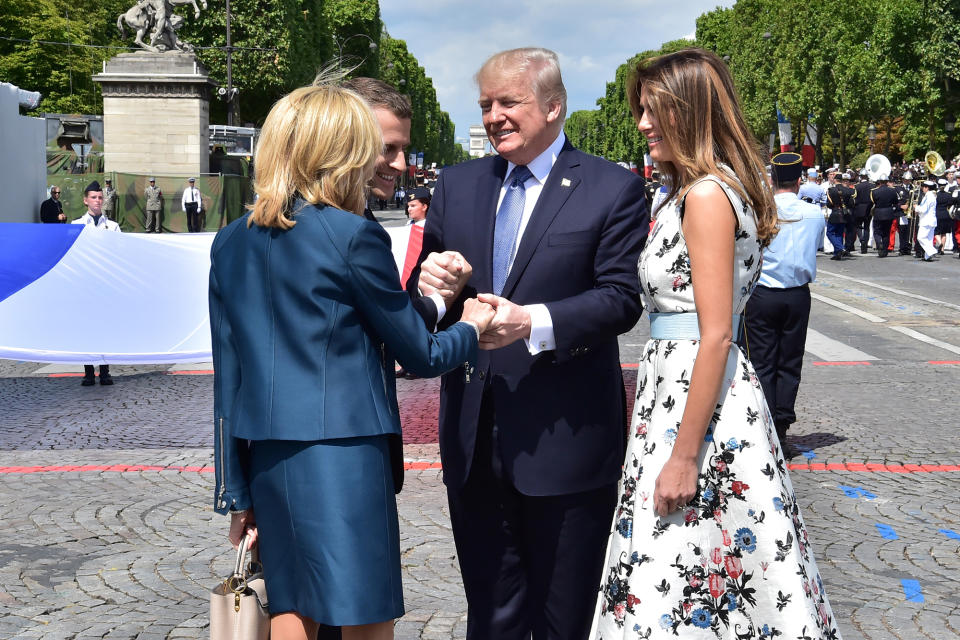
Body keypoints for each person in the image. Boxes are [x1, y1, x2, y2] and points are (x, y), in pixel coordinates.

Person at [209, 83, 495, 640]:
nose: (381, 161)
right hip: (344, 452)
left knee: (293, 607)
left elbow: (229, 377)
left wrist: (235, 490)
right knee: (365, 612)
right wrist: (472, 325)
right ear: (337, 149)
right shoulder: (351, 234)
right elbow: (423, 352)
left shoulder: (230, 242)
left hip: (269, 455)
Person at [590, 49, 842, 639]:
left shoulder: (704, 196)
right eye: (641, 111)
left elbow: (716, 334)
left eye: (654, 111)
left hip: (694, 396)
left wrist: (682, 455)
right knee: (706, 566)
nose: (643, 124)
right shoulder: (707, 189)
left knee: (677, 563)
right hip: (694, 392)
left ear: (691, 111)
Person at [407, 47, 649, 640]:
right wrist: (434, 290)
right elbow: (422, 297)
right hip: (472, 436)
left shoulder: (612, 188)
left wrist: (533, 322)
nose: (493, 117)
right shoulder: (457, 185)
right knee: (490, 616)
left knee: (564, 617)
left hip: (566, 440)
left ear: (554, 106)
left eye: (507, 102)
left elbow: (620, 298)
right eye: (486, 104)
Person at [740, 152, 825, 452]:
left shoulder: (759, 210)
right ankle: (782, 427)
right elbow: (816, 247)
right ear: (800, 180)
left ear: (772, 179)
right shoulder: (815, 213)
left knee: (761, 363)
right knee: (790, 363)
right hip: (798, 295)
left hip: (762, 295)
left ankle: (765, 429)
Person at [72, 180, 121, 386]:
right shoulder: (76, 226)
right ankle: (88, 372)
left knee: (105, 328)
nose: (98, 201)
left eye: (100, 197)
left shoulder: (112, 226)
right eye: (94, 197)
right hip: (85, 285)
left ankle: (105, 371)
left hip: (105, 286)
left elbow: (120, 254)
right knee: (86, 329)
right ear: (86, 200)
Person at [826, 170, 854, 260]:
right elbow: (851, 204)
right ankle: (837, 253)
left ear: (835, 180)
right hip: (844, 214)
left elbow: (829, 204)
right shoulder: (848, 190)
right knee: (839, 234)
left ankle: (840, 249)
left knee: (830, 232)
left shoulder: (831, 190)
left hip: (835, 213)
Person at [869, 174, 899, 257]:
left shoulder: (874, 191)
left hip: (878, 213)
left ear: (879, 181)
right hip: (889, 213)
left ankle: (879, 244)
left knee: (877, 231)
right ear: (887, 181)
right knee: (886, 233)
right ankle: (884, 250)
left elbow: (873, 202)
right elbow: (896, 202)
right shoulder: (892, 191)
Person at [916, 179, 939, 261]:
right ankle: (927, 256)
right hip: (930, 220)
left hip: (926, 221)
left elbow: (924, 209)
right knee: (928, 239)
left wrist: (916, 208)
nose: (923, 188)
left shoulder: (929, 196)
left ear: (927, 188)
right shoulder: (932, 195)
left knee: (920, 237)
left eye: (924, 187)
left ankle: (932, 251)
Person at [852, 169, 873, 253]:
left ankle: (862, 240)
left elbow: (854, 198)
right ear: (867, 176)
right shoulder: (872, 185)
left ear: (860, 176)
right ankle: (865, 243)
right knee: (867, 227)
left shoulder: (857, 186)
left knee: (858, 226)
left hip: (859, 208)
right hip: (869, 208)